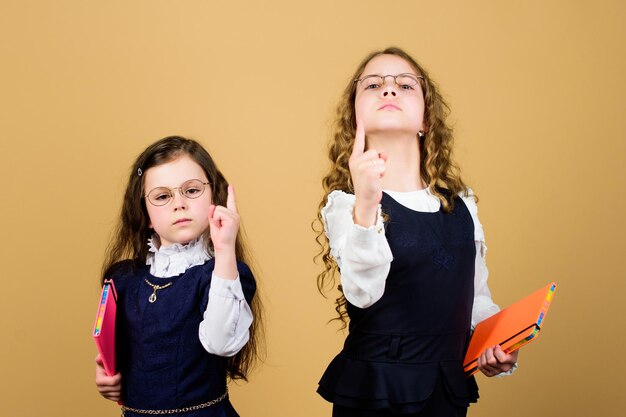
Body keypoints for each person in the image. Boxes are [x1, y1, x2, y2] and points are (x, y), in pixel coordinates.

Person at [314, 47, 517, 417]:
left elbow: (475, 298)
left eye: (406, 85)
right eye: (373, 84)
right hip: (375, 392)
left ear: (426, 119)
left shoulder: (462, 204)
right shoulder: (345, 205)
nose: (389, 90)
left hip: (446, 392)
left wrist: (498, 340)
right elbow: (362, 292)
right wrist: (367, 200)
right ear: (354, 116)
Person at [95, 136, 262, 417]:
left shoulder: (223, 274)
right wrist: (106, 374)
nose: (179, 204)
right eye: (162, 196)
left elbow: (222, 343)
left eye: (192, 190)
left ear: (214, 197)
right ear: (145, 213)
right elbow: (113, 349)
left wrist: (224, 250)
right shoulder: (123, 279)